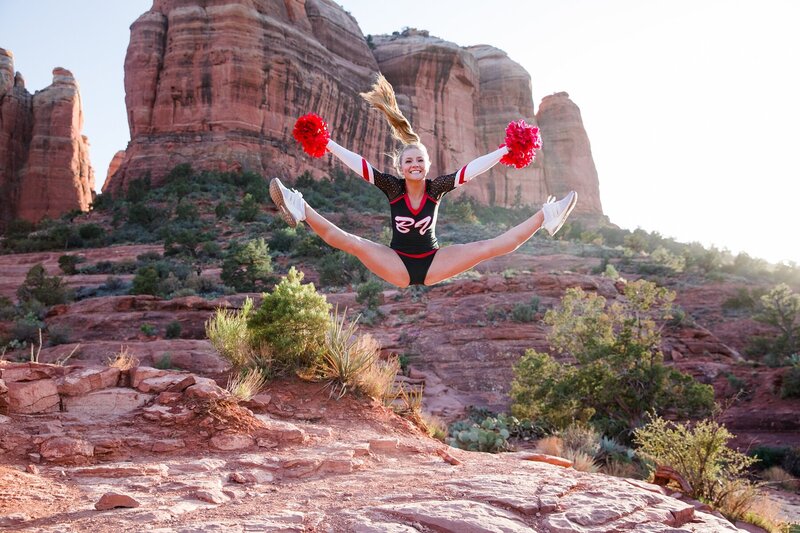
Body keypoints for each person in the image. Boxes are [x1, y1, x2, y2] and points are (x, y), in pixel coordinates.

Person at [270, 74, 577, 288]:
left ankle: (546, 216)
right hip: (397, 262)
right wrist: (328, 143)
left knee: (487, 246)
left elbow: (471, 170)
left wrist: (503, 150)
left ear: (427, 166)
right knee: (354, 244)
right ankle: (300, 208)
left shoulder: (436, 188)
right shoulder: (392, 188)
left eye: (419, 160)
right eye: (408, 161)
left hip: (432, 261)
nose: (414, 164)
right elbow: (361, 168)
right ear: (401, 167)